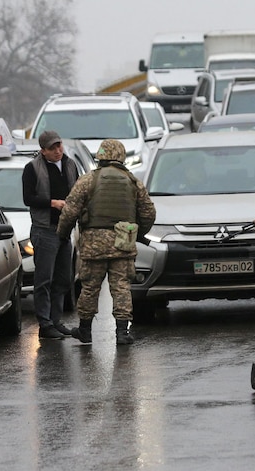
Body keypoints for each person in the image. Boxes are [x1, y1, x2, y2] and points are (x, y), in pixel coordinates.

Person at [57, 139, 156, 345]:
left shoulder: (88, 180)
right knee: (121, 287)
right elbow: (148, 213)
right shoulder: (133, 181)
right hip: (123, 242)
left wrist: (63, 233)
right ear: (121, 156)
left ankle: (85, 330)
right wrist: (137, 232)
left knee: (90, 287)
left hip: (94, 244)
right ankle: (122, 333)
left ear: (100, 157)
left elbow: (70, 210)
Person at [22, 130, 80, 340]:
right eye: (52, 148)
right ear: (43, 151)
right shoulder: (32, 168)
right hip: (45, 230)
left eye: (59, 146)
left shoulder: (70, 164)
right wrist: (51, 203)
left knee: (63, 278)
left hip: (65, 229)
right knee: (44, 279)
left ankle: (56, 321)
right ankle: (45, 324)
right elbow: (27, 198)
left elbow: (79, 190)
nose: (58, 151)